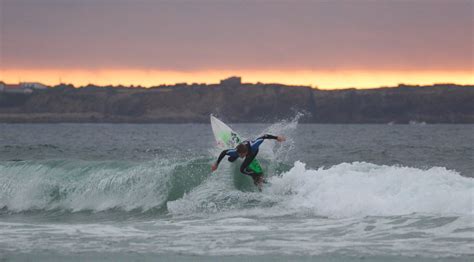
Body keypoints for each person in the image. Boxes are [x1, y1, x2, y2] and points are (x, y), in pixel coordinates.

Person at [211, 134, 286, 189]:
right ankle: (236, 158)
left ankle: (257, 176)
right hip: (242, 148)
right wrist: (216, 164)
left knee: (242, 169)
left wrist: (277, 138)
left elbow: (264, 136)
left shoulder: (255, 145)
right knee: (230, 159)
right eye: (240, 155)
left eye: (242, 155)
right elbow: (224, 152)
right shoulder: (236, 151)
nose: (241, 156)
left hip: (252, 153)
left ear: (245, 152)